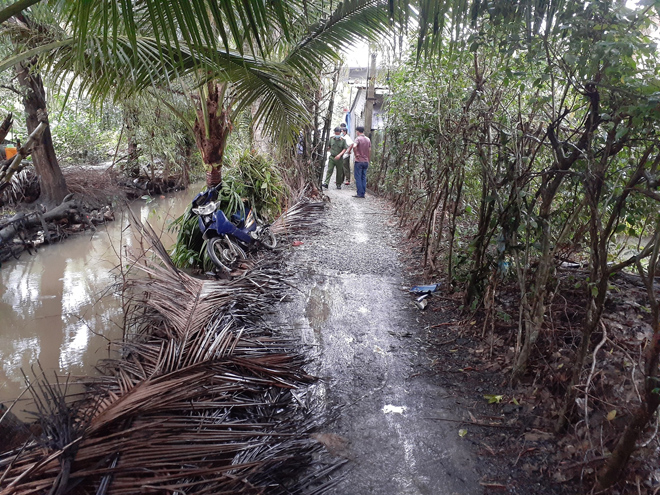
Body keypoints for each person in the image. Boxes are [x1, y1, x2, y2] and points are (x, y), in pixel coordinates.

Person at [352, 126, 371, 198]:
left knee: (358, 177)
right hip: (365, 161)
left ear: (357, 131)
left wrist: (356, 154)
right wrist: (368, 159)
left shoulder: (358, 139)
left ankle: (359, 193)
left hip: (359, 161)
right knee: (364, 177)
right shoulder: (368, 139)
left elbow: (354, 146)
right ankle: (363, 193)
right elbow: (369, 150)